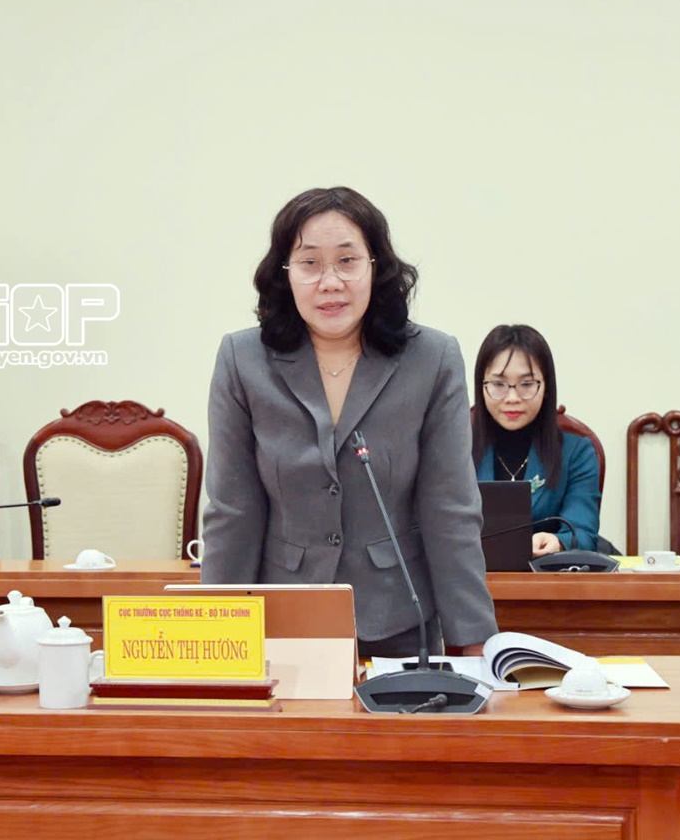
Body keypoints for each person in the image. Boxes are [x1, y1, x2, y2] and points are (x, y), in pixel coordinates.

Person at [200, 186, 497, 657]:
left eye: (347, 261)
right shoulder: (242, 359)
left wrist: (474, 640)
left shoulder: (432, 359)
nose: (330, 282)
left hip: (399, 619)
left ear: (376, 267)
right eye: (309, 263)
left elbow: (450, 509)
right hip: (282, 620)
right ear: (285, 273)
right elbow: (232, 511)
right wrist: (217, 636)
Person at [471, 324, 600, 555]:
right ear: (481, 386)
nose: (512, 397)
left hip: (548, 574)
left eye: (527, 384)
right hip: (470, 573)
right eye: (499, 384)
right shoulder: (455, 450)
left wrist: (557, 541)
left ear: (546, 387)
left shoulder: (577, 452)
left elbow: (583, 532)